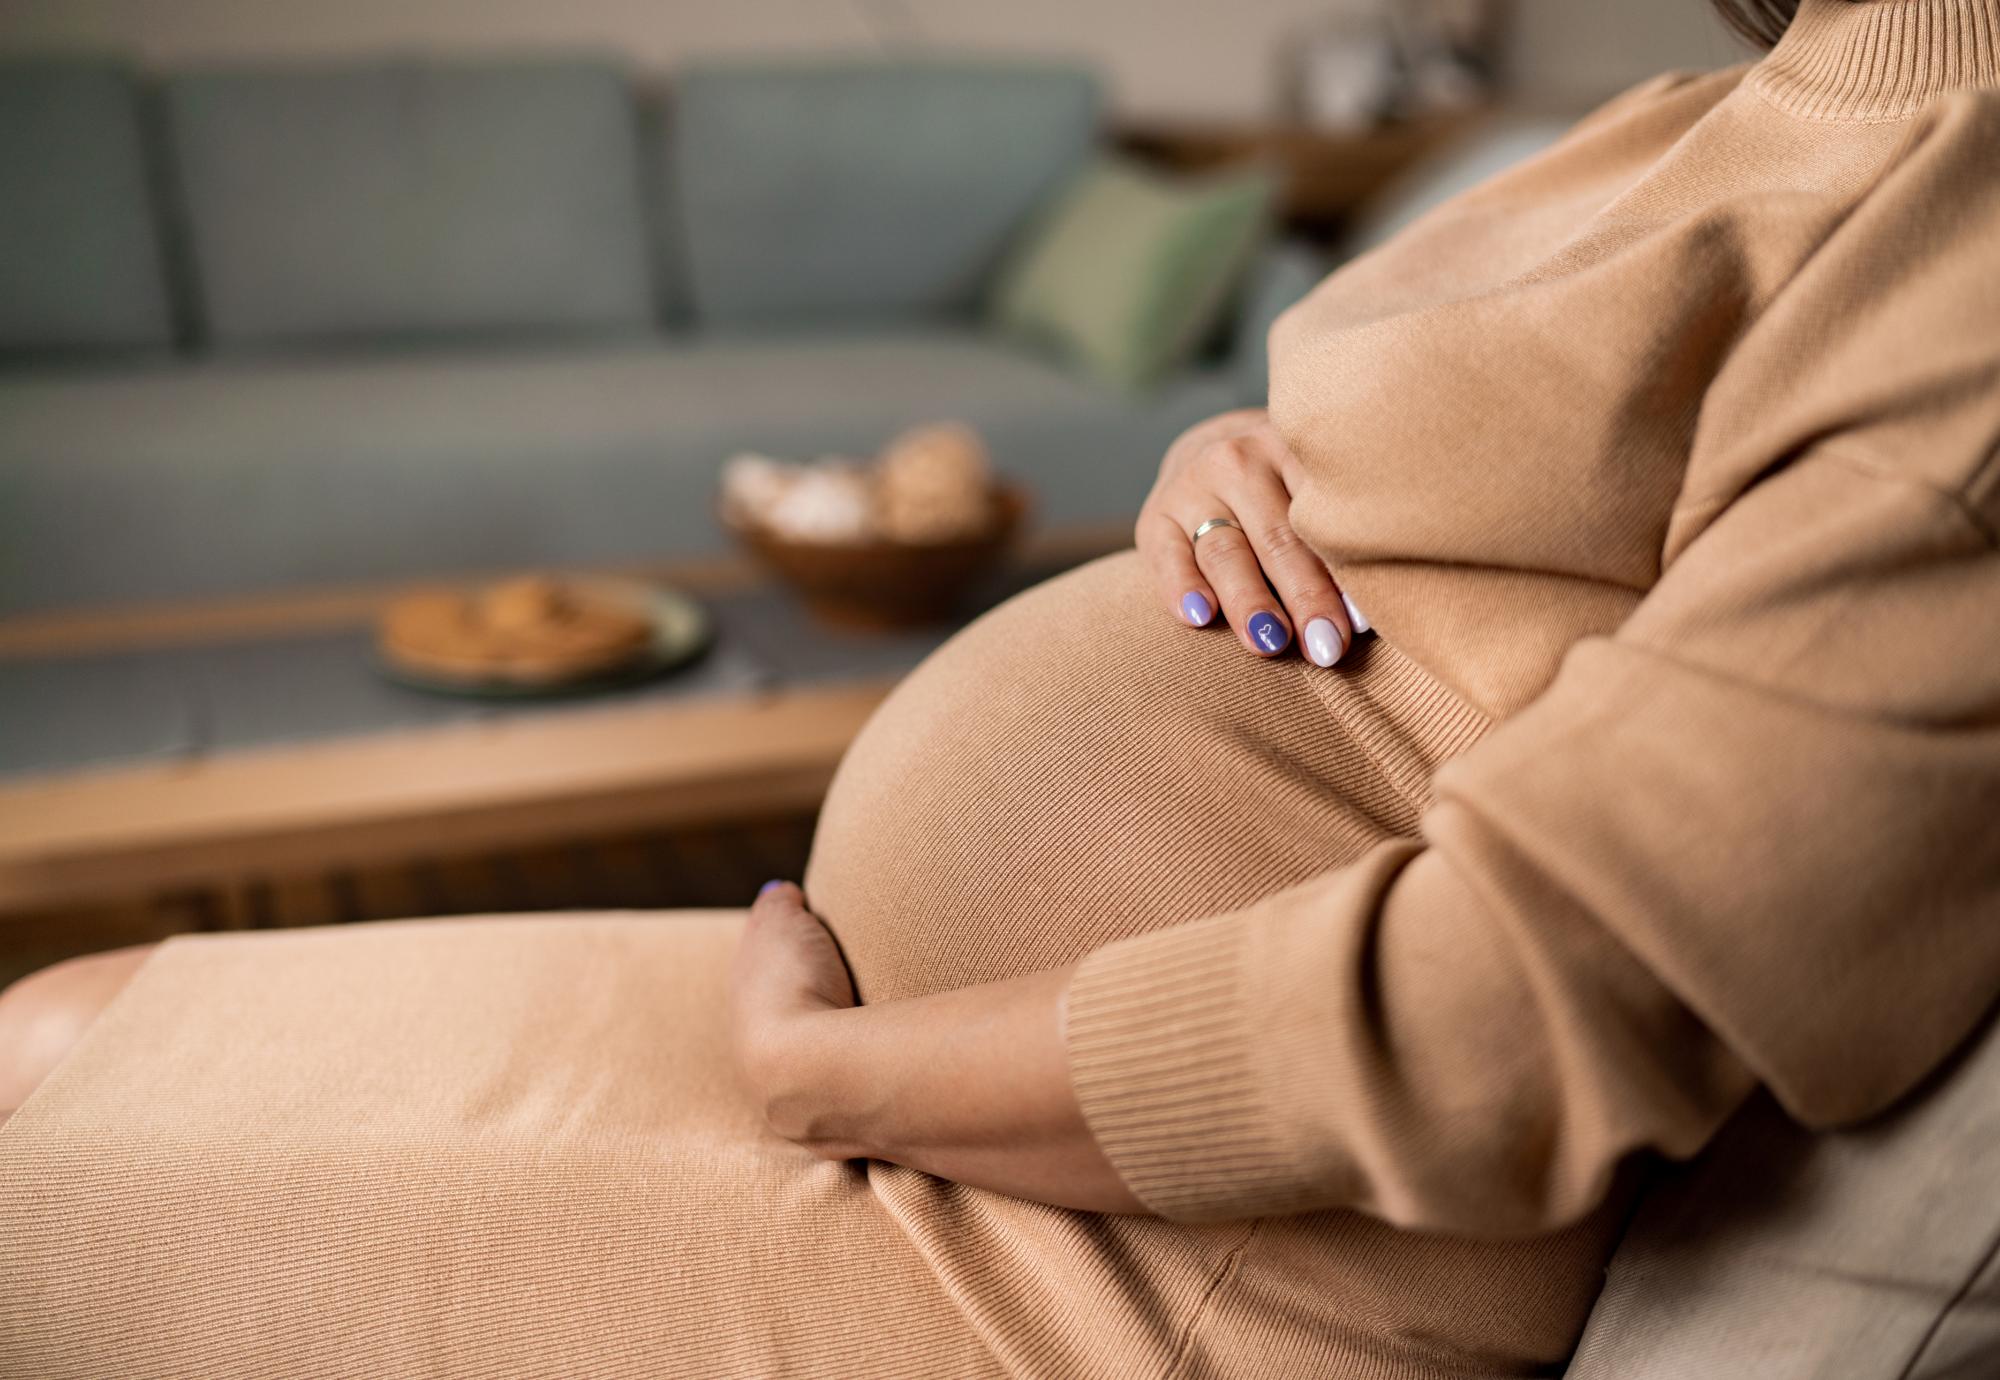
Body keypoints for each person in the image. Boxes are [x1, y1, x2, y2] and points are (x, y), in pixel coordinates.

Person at [3, 1, 1997, 1374]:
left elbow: (1531, 1007)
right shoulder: (1755, 95)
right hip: (992, 1103)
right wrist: (1246, 462)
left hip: (1172, 1281)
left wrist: (833, 1079)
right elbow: (1526, 518)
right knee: (60, 1015)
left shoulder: (1965, 216)